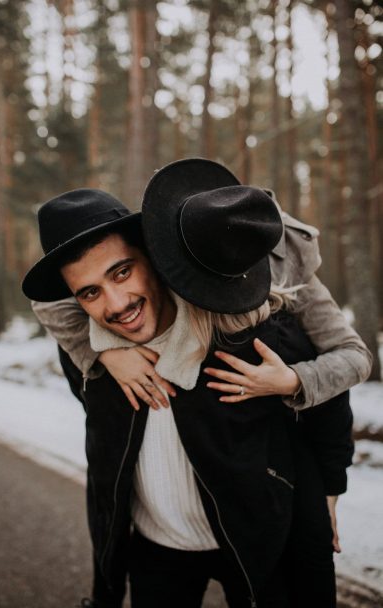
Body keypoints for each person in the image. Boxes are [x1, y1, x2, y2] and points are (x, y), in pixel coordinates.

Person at [22, 160, 359, 607]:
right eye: (90, 292)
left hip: (259, 541)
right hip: (157, 550)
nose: (116, 304)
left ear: (154, 257)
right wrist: (103, 353)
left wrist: (327, 493)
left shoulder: (241, 324)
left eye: (123, 272)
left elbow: (330, 400)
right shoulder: (93, 354)